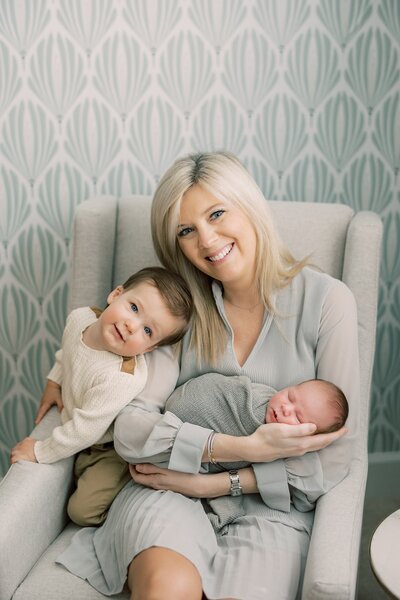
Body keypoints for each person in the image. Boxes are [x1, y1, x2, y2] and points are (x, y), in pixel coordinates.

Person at [56, 151, 359, 600]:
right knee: (167, 589)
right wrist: (241, 448)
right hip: (165, 494)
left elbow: (336, 456)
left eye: (217, 213)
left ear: (248, 204)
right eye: (186, 230)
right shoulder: (177, 315)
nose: (207, 239)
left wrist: (217, 482)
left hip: (270, 510)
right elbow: (133, 430)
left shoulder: (328, 301)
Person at [10, 266, 192, 526]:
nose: (131, 326)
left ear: (149, 349)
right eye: (134, 308)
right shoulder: (80, 318)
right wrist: (54, 381)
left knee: (82, 511)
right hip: (82, 425)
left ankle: (132, 498)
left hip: (109, 447)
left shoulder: (120, 377)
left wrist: (39, 451)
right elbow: (68, 354)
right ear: (116, 294)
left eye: (148, 331)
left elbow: (85, 431)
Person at [163, 372, 348, 532]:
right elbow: (220, 396)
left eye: (298, 417)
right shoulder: (255, 400)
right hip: (178, 416)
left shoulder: (292, 450)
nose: (286, 408)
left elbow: (308, 491)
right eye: (291, 396)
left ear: (308, 437)